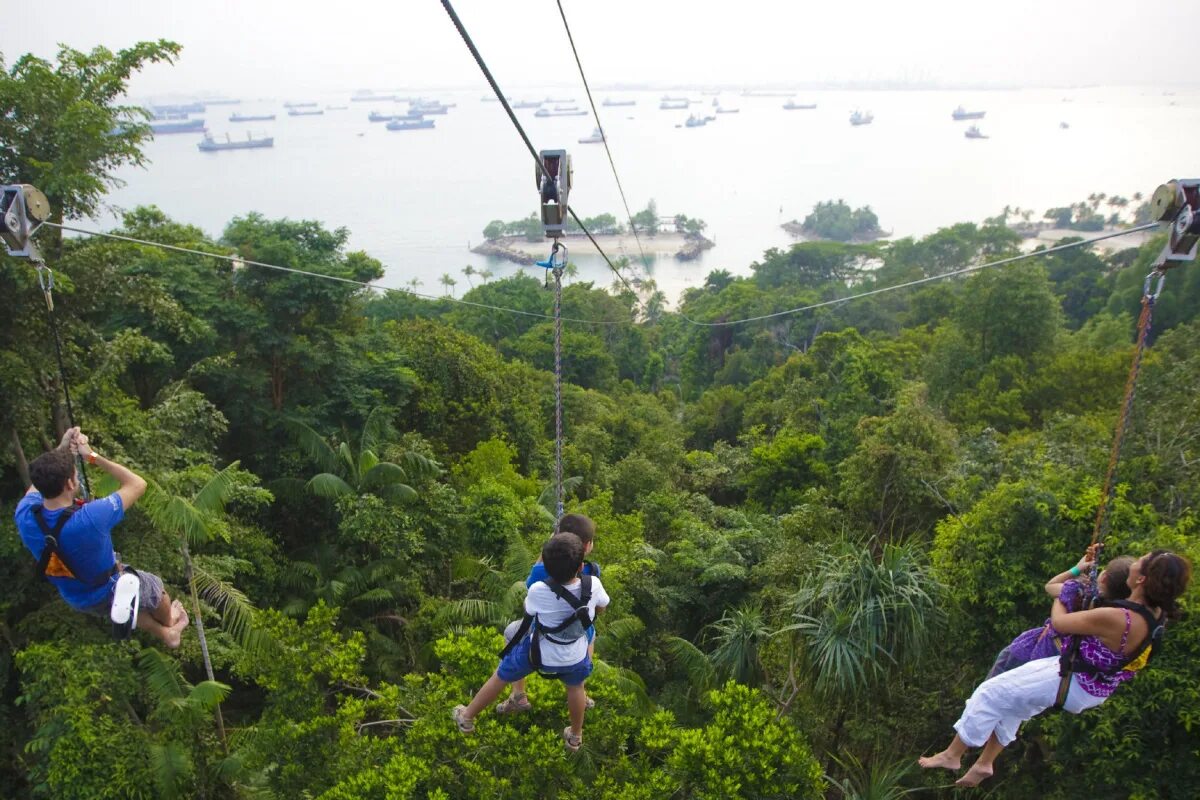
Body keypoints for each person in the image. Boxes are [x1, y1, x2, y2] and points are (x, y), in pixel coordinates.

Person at [920, 550, 1191, 788]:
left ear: (1142, 579)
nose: (1136, 560)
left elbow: (1060, 623)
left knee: (990, 692)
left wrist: (1068, 593)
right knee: (1015, 703)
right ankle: (983, 765)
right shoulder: (1156, 614)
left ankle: (952, 755)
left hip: (1074, 679)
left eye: (1141, 560)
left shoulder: (1122, 618)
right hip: (1090, 684)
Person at [13, 428, 189, 648]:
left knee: (120, 605)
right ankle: (171, 623)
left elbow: (40, 481)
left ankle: (164, 635)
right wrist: (92, 457)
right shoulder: (91, 517)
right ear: (69, 484)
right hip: (109, 585)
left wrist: (63, 448)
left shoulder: (25, 515)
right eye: (75, 475)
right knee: (154, 588)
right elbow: (138, 484)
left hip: (76, 595)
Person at [453, 532, 610, 752]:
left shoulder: (538, 590)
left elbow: (530, 610)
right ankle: (575, 736)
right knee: (576, 688)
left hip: (538, 654)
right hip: (575, 656)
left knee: (501, 674)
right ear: (581, 566)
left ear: (546, 567)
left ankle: (468, 717)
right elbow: (601, 608)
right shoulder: (593, 583)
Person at [496, 513, 601, 715]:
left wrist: (552, 543)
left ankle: (518, 694)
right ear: (587, 546)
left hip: (543, 635)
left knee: (511, 632)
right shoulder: (593, 572)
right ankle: (581, 686)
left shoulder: (541, 573)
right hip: (576, 638)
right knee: (591, 633)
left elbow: (532, 583)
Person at [986, 549, 1134, 678]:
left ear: (1104, 577)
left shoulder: (1080, 591)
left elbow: (1050, 586)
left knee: (999, 674)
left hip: (1038, 645)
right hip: (1058, 657)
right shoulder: (1114, 612)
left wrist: (1075, 570)